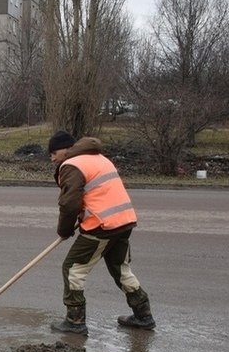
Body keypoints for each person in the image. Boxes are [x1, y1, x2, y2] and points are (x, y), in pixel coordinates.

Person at [48, 130, 155, 335]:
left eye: (54, 153)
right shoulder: (98, 158)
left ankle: (75, 321)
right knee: (121, 269)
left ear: (67, 150)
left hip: (101, 226)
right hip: (124, 221)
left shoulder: (72, 164)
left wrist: (64, 230)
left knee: (73, 269)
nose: (53, 158)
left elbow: (69, 204)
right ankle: (144, 315)